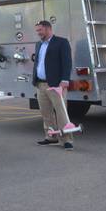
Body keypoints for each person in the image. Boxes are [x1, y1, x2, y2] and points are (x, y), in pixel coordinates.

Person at [32, 20, 76, 150]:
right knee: (46, 113)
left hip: (56, 85)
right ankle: (51, 136)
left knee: (61, 113)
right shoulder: (39, 44)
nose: (38, 33)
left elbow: (67, 62)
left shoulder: (61, 42)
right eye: (37, 31)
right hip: (41, 84)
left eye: (40, 30)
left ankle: (67, 140)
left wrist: (65, 80)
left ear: (48, 29)